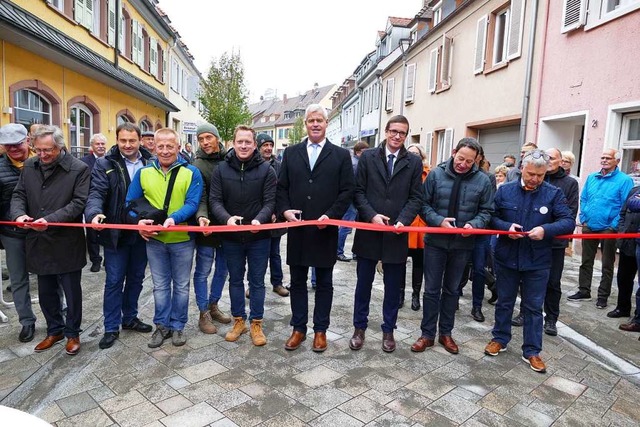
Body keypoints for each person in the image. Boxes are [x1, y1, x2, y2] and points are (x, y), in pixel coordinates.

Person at [484, 149, 575, 373]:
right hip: (507, 258)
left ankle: (532, 351)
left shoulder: (553, 194)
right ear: (522, 168)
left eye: (540, 175)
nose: (535, 179)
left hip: (537, 260)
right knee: (505, 301)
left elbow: (568, 222)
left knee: (533, 307)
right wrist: (506, 228)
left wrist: (546, 229)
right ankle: (500, 339)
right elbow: (491, 217)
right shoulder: (504, 191)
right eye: (531, 173)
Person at [276, 103, 355, 352]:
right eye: (311, 120)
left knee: (324, 282)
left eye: (319, 120)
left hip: (325, 229)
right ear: (306, 124)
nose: (315, 124)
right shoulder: (291, 153)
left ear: (326, 123)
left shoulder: (341, 155)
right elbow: (282, 187)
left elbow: (347, 191)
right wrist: (285, 211)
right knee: (297, 281)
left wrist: (330, 215)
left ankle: (320, 330)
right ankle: (298, 328)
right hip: (299, 229)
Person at [11, 125, 90, 356]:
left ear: (60, 147)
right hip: (38, 240)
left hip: (66, 241)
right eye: (38, 150)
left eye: (48, 151)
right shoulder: (29, 165)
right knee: (46, 291)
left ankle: (72, 333)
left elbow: (78, 203)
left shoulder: (79, 169)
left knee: (71, 291)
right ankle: (54, 329)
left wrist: (50, 219)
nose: (42, 155)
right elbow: (19, 194)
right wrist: (19, 214)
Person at [411, 138, 493, 354]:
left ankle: (445, 334)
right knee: (431, 290)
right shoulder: (436, 175)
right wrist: (438, 221)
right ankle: (427, 334)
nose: (463, 164)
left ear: (476, 161)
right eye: (460, 158)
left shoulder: (483, 181)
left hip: (463, 245)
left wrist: (473, 224)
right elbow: (423, 204)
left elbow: (487, 211)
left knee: (452, 290)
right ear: (454, 152)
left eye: (469, 161)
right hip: (435, 243)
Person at [349, 116, 423, 352]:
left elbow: (416, 197)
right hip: (369, 231)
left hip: (397, 234)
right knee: (363, 285)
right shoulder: (369, 157)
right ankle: (359, 328)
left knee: (393, 287)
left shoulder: (413, 162)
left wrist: (403, 220)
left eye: (402, 133)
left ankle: (388, 329)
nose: (397, 136)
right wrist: (371, 215)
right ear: (386, 131)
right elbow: (358, 191)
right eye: (393, 131)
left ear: (406, 134)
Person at [126, 128, 203, 348]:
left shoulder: (191, 172)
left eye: (170, 146)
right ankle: (162, 326)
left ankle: (178, 326)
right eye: (161, 146)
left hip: (182, 239)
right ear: (153, 146)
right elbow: (129, 204)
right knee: (159, 286)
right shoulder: (143, 173)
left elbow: (192, 203)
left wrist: (173, 219)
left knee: (181, 286)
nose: (165, 150)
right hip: (155, 241)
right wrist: (138, 223)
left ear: (178, 147)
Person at [85, 123, 154, 349]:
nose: (127, 145)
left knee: (136, 279)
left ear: (139, 140)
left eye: (132, 141)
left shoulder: (150, 163)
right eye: (123, 140)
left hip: (141, 233)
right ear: (117, 139)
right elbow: (96, 192)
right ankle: (111, 327)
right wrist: (94, 213)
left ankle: (130, 318)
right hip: (116, 234)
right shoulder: (105, 164)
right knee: (114, 281)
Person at [210, 125, 276, 346]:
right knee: (235, 280)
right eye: (240, 141)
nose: (244, 145)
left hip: (258, 237)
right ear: (233, 143)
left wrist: (261, 219)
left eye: (248, 142)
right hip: (231, 237)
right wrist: (226, 219)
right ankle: (239, 320)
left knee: (256, 282)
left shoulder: (267, 170)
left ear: (254, 144)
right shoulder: (221, 169)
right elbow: (215, 201)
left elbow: (270, 202)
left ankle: (256, 322)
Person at [511, 148, 579, 335]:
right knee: (526, 280)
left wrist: (547, 229)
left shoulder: (569, 184)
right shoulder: (534, 179)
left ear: (561, 161)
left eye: (553, 159)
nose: (549, 162)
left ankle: (550, 319)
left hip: (553, 243)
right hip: (529, 241)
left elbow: (569, 216)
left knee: (553, 282)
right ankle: (525, 313)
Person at [569, 149, 633, 308]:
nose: (604, 160)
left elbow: (625, 205)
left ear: (617, 161)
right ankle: (584, 290)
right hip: (589, 225)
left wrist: (614, 225)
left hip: (609, 228)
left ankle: (602, 296)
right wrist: (583, 218)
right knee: (586, 261)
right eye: (602, 157)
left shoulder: (624, 180)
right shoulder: (592, 177)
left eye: (608, 158)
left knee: (607, 264)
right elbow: (583, 198)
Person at [193, 123, 231, 334]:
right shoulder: (197, 165)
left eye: (209, 137)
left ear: (217, 138)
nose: (205, 142)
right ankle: (203, 312)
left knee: (223, 268)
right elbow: (201, 197)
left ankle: (214, 304)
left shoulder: (230, 160)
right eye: (201, 139)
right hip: (206, 225)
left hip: (227, 224)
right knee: (202, 271)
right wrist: (202, 218)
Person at [0, 124, 37, 342]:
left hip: (42, 231)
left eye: (17, 144)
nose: (13, 148)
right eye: (8, 145)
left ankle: (58, 314)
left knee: (51, 276)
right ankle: (27, 321)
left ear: (28, 141)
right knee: (18, 279)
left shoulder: (42, 161)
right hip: (11, 233)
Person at [255, 132, 289, 297]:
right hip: (257, 219)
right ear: (258, 147)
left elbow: (282, 191)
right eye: (264, 145)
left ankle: (277, 283)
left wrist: (276, 212)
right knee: (256, 255)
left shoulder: (279, 165)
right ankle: (254, 284)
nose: (268, 148)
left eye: (270, 145)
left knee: (274, 253)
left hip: (275, 219)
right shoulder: (253, 164)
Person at [608, 186, 640, 319]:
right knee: (623, 277)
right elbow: (622, 213)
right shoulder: (634, 191)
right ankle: (622, 308)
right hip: (627, 242)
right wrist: (621, 232)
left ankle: (638, 315)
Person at [404, 143, 430, 311]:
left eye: (416, 154)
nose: (413, 157)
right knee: (399, 262)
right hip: (406, 224)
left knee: (419, 264)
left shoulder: (429, 175)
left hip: (422, 226)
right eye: (410, 153)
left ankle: (415, 294)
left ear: (422, 157)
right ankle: (399, 294)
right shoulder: (403, 173)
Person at [337, 141, 369, 262]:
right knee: (346, 226)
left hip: (354, 201)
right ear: (358, 152)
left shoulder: (357, 163)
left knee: (353, 226)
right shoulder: (356, 165)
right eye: (365, 152)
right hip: (352, 201)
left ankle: (354, 253)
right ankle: (339, 252)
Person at [81, 133, 107, 273]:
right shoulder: (84, 162)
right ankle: (95, 260)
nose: (101, 146)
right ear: (92, 146)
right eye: (98, 144)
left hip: (107, 202)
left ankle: (108, 260)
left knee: (108, 231)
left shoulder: (111, 160)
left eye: (103, 144)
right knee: (92, 233)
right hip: (90, 202)